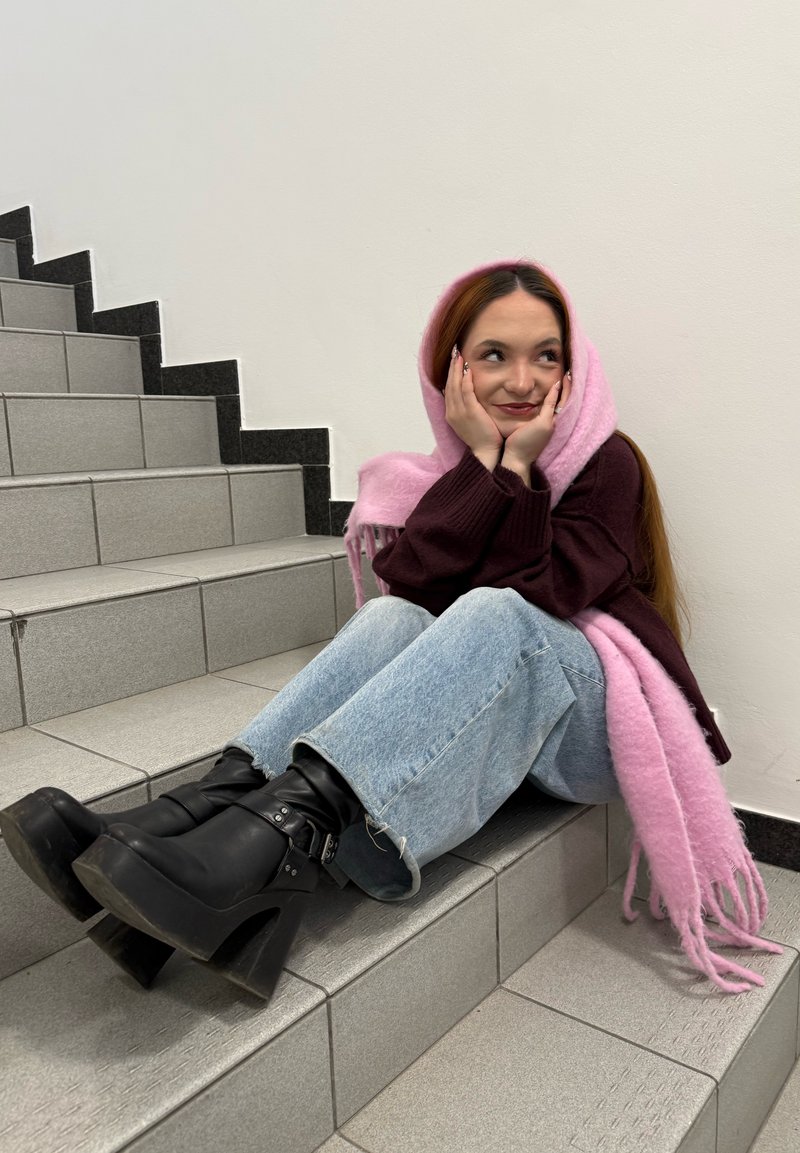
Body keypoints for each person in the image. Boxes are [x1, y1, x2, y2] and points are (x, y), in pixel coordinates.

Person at [0, 261, 772, 1000]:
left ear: (573, 371)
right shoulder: (440, 475)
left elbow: (541, 589)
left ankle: (265, 851)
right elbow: (414, 584)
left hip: (596, 722)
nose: (522, 378)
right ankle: (204, 817)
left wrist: (516, 476)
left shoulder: (608, 464)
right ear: (454, 371)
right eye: (494, 354)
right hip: (495, 707)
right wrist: (483, 469)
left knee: (497, 610)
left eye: (546, 355)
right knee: (391, 615)